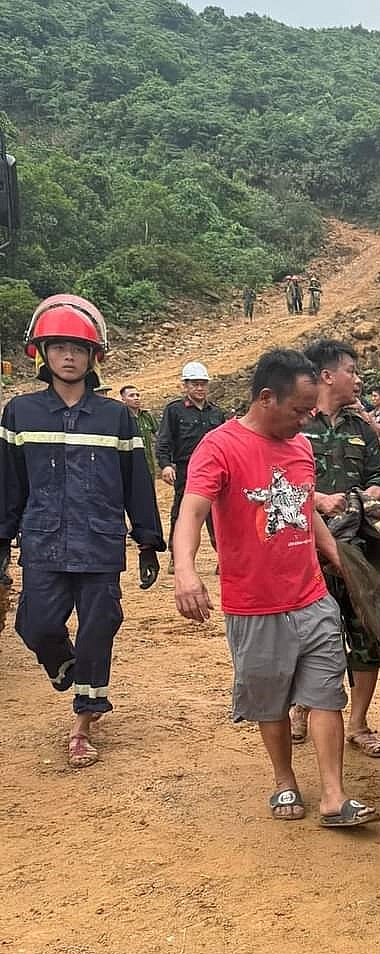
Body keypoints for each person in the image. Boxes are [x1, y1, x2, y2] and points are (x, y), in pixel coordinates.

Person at [173, 348, 380, 827]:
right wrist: (186, 571)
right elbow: (193, 511)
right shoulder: (219, 447)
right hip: (254, 604)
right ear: (266, 398)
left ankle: (333, 795)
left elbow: (304, 510)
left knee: (326, 693)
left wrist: (338, 560)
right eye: (299, 410)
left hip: (311, 596)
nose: (307, 419)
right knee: (270, 700)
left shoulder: (301, 447)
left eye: (310, 410)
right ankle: (285, 780)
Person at [0, 294, 164, 768]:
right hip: (43, 542)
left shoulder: (117, 417)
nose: (68, 356)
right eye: (58, 347)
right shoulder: (20, 414)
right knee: (35, 624)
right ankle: (61, 662)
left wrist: (149, 541)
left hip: (99, 543)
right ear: (41, 353)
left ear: (95, 356)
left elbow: (137, 483)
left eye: (78, 347)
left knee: (98, 629)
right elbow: (8, 484)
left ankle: (84, 722)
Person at [289, 339, 380, 758]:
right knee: (309, 636)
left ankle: (359, 723)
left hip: (356, 551)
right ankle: (303, 708)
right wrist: (319, 501)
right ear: (328, 375)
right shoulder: (295, 425)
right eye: (352, 370)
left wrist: (367, 495)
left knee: (367, 633)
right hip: (304, 552)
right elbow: (277, 482)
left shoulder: (361, 427)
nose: (359, 379)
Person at [155, 362, 226, 569]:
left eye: (203, 384)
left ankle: (224, 557)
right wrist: (166, 465)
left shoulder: (216, 413)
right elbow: (164, 440)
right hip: (187, 470)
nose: (200, 388)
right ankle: (177, 557)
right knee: (182, 513)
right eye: (195, 384)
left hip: (214, 470)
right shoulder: (174, 411)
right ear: (185, 386)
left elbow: (226, 443)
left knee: (218, 514)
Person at [120, 384, 159, 480]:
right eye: (131, 396)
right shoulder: (120, 418)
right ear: (123, 399)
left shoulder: (147, 416)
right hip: (130, 467)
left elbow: (160, 436)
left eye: (137, 395)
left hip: (149, 465)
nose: (136, 398)